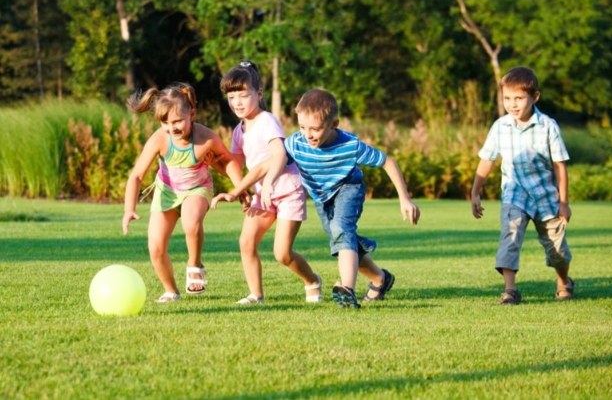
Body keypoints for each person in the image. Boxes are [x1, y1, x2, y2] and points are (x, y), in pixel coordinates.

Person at [218, 88, 421, 308]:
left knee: (341, 230)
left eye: (315, 129)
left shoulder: (349, 146)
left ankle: (347, 289)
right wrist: (237, 190)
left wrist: (405, 198)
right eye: (303, 127)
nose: (308, 134)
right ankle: (380, 278)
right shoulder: (297, 143)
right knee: (341, 239)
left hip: (348, 188)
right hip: (322, 197)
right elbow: (265, 166)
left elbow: (387, 161)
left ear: (334, 124)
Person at [211, 60, 322, 305]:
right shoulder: (239, 130)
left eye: (243, 95)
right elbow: (235, 165)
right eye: (231, 97)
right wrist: (233, 186)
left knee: (282, 254)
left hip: (287, 190)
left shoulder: (267, 121)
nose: (237, 102)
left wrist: (268, 181)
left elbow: (279, 154)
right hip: (263, 194)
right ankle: (256, 295)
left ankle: (312, 280)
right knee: (246, 242)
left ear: (258, 94)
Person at [122, 82, 244, 303]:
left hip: (197, 189)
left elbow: (228, 163)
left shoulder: (206, 138)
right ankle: (170, 290)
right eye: (165, 122)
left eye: (178, 121)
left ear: (192, 114)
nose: (172, 128)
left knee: (191, 222)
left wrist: (241, 188)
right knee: (155, 248)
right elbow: (136, 176)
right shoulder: (160, 139)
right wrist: (129, 209)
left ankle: (194, 264)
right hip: (166, 192)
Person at [470, 66, 573, 305]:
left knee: (557, 251)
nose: (512, 104)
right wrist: (476, 192)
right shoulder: (500, 126)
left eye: (519, 98)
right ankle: (510, 290)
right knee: (510, 236)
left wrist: (564, 202)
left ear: (534, 97)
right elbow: (487, 160)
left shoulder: (548, 126)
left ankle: (564, 281)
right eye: (507, 98)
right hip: (514, 195)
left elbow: (560, 166)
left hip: (546, 197)